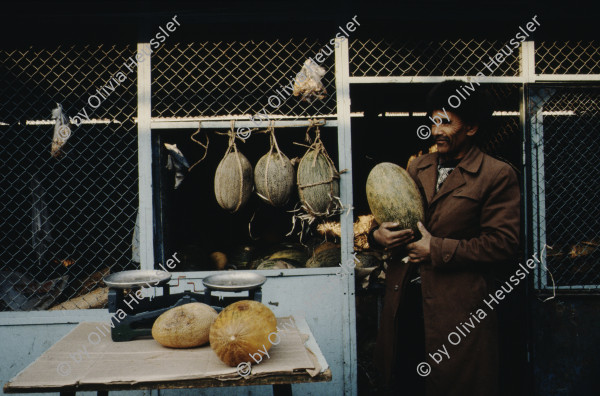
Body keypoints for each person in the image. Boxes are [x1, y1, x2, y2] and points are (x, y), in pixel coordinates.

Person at [370, 80, 521, 396]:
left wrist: (435, 249)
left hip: (456, 311)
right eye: (433, 121)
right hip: (407, 303)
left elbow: (504, 243)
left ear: (471, 127)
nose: (435, 130)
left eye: (446, 123)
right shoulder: (417, 166)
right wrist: (378, 236)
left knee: (453, 384)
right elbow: (396, 218)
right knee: (404, 381)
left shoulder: (496, 174)